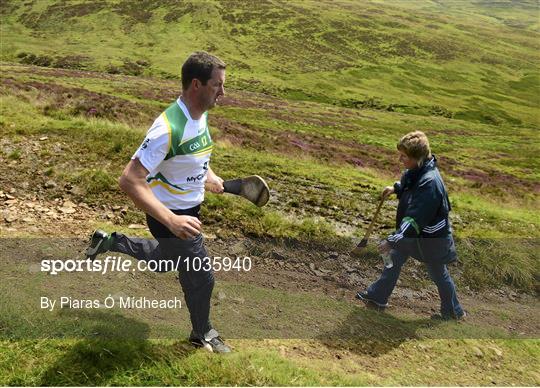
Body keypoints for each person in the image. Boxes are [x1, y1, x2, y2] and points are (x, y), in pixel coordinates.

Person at [86, 51, 231, 352]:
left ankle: (110, 242)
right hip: (171, 214)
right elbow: (129, 180)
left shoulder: (198, 115)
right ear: (196, 84)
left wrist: (209, 176)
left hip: (186, 209)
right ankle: (202, 333)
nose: (222, 92)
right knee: (201, 278)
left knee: (166, 260)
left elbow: (190, 155)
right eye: (217, 85)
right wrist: (172, 220)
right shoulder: (167, 128)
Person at [356, 131, 465, 320]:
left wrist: (392, 240)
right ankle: (378, 297)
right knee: (394, 259)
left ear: (418, 158)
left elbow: (414, 220)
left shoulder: (430, 184)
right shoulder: (417, 171)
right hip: (415, 235)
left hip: (431, 239)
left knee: (438, 273)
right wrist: (396, 188)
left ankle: (454, 312)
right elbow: (410, 184)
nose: (400, 159)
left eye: (404, 156)